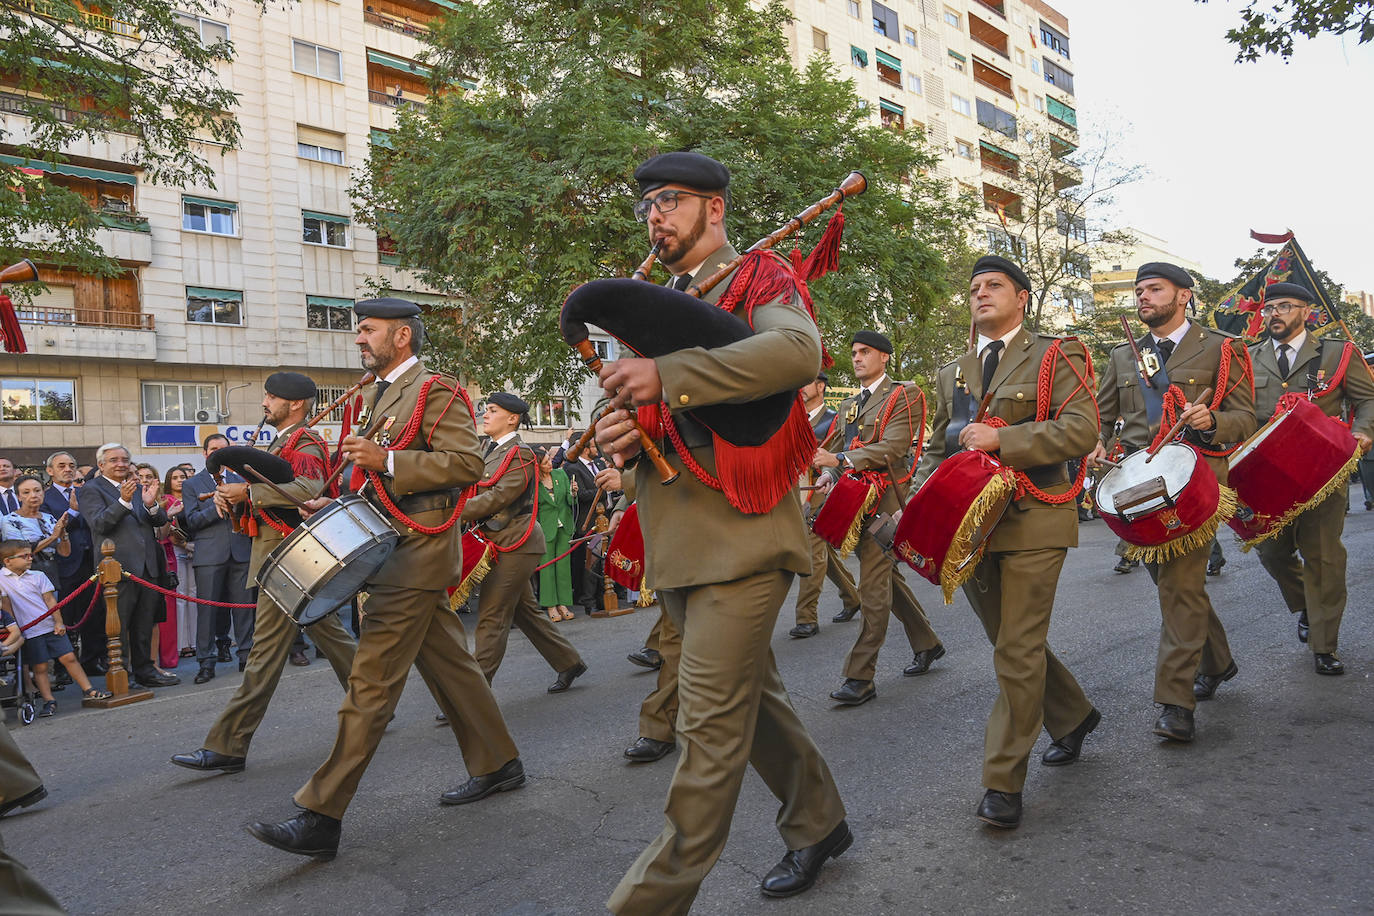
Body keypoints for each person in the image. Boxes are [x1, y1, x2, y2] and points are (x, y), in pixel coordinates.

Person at [595, 151, 849, 910]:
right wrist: (626, 429)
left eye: (671, 200)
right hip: (677, 541)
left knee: (704, 730)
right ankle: (819, 822)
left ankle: (646, 902)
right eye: (647, 205)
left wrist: (669, 378)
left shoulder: (758, 278)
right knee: (755, 704)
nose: (655, 216)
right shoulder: (662, 301)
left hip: (742, 540)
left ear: (716, 209)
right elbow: (661, 413)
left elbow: (799, 352)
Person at [248, 297, 523, 859]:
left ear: (401, 337)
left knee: (369, 685)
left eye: (367, 330)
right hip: (387, 545)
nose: (358, 339)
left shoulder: (434, 389)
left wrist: (389, 461)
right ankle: (499, 763)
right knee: (454, 667)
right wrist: (334, 498)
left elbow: (467, 465)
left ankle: (321, 813)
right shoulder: (377, 394)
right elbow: (372, 473)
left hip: (415, 552)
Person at [915, 256, 1100, 829]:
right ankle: (1072, 716)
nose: (980, 294)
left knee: (1016, 651)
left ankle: (1002, 781)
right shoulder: (954, 371)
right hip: (971, 526)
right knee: (1010, 642)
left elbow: (1083, 429)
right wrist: (917, 501)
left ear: (1022, 298)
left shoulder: (1055, 354)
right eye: (973, 288)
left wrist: (1003, 437)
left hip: (1034, 517)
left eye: (993, 285)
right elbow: (938, 447)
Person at [1088, 262, 1255, 742]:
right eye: (1138, 291)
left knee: (1179, 587)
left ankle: (1174, 702)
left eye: (1153, 289)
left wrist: (1211, 421)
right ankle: (1218, 662)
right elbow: (1100, 416)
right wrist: (1095, 442)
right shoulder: (1124, 356)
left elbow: (1246, 415)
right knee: (1175, 583)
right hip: (1138, 487)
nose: (1142, 297)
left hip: (1196, 480)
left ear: (1183, 295)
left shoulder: (1223, 348)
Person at [171, 371, 359, 776]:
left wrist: (249, 494)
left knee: (264, 653)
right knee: (333, 639)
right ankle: (375, 704)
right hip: (281, 551)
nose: (264, 404)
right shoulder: (282, 441)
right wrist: (234, 500)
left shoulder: (304, 440)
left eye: (271, 397)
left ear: (294, 403)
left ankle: (228, 745)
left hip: (288, 553)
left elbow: (309, 488)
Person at [1246, 282, 1374, 675]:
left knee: (1322, 556)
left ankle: (1324, 643)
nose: (1275, 315)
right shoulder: (1247, 357)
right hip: (1268, 474)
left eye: (1285, 306)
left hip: (1323, 472)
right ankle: (1306, 604)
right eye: (1269, 309)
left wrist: (1364, 431)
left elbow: (1368, 399)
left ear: (1306, 311)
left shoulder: (1337, 353)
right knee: (1271, 552)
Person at [815, 330, 944, 706]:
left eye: (865, 352)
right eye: (854, 352)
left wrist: (838, 461)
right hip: (856, 504)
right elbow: (837, 451)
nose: (856, 358)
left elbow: (893, 446)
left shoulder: (904, 394)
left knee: (872, 587)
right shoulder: (850, 405)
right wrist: (828, 473)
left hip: (887, 503)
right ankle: (928, 643)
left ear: (884, 357)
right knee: (885, 577)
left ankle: (860, 676)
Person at [463, 392, 587, 689]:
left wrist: (455, 512)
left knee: (492, 614)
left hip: (516, 543)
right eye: (486, 410)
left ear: (512, 418)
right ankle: (569, 663)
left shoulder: (521, 453)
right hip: (496, 541)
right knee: (526, 612)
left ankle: (473, 692)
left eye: (492, 410)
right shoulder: (486, 448)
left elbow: (499, 496)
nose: (486, 415)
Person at [78, 443, 180, 689]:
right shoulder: (91, 489)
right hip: (118, 570)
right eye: (114, 460)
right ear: (101, 465)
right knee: (119, 626)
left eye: (124, 459)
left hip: (148, 567)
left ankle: (145, 670)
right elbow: (100, 524)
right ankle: (122, 675)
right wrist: (123, 501)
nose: (121, 464)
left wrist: (150, 504)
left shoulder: (135, 489)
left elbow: (157, 522)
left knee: (144, 623)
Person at [0, 540, 112, 716]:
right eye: (25, 556)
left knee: (69, 657)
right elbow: (7, 608)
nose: (30, 558)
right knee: (40, 666)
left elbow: (51, 601)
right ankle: (48, 700)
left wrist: (58, 622)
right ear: (8, 561)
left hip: (49, 626)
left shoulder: (37, 575)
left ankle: (88, 690)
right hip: (29, 630)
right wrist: (16, 629)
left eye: (31, 555)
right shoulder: (2, 580)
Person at [180, 435, 254, 682]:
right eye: (214, 449)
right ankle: (206, 662)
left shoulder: (242, 480)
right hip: (210, 555)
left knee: (244, 610)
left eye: (223, 449)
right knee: (207, 612)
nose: (218, 453)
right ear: (205, 454)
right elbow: (191, 521)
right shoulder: (192, 484)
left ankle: (246, 657)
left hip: (241, 551)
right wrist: (216, 506)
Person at [791, 371, 860, 638]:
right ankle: (852, 597)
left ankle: (806, 617)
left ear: (820, 386)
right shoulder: (792, 420)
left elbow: (837, 459)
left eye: (806, 383)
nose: (800, 389)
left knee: (811, 551)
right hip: (795, 490)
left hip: (823, 488)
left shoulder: (834, 420)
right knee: (821, 553)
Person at [42, 452, 97, 668]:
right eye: (61, 465)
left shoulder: (86, 493)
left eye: (71, 465)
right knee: (64, 616)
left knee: (92, 612)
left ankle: (92, 660)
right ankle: (63, 665)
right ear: (50, 471)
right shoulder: (45, 498)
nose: (67, 469)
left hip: (90, 560)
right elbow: (52, 529)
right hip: (64, 564)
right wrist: (72, 513)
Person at [2, 475, 70, 586]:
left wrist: (63, 532)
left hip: (51, 574)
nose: (33, 495)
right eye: (26, 492)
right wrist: (53, 537)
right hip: (23, 577)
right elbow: (19, 552)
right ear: (18, 496)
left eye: (37, 490)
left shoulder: (49, 518)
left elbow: (65, 552)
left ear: (43, 493)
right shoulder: (9, 520)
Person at [534, 445, 575, 621]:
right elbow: (533, 510)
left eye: (550, 460)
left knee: (564, 567)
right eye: (545, 462)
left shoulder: (560, 474)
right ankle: (550, 606)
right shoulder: (533, 484)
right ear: (537, 466)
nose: (550, 463)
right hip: (545, 529)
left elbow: (569, 499)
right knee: (547, 568)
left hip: (564, 525)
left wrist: (573, 492)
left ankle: (563, 604)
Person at [161, 465, 196, 659]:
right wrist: (184, 545)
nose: (180, 480)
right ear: (169, 481)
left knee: (195, 595)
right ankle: (183, 643)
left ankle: (195, 640)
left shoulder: (192, 497)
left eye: (182, 476)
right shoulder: (166, 500)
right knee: (181, 595)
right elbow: (168, 529)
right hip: (177, 549)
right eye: (175, 477)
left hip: (197, 548)